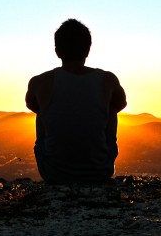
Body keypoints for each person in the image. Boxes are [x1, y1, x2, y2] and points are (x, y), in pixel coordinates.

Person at [25, 19, 127, 183]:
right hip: (100, 172)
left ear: (57, 51)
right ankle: (96, 157)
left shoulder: (39, 82)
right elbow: (121, 103)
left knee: (42, 112)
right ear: (88, 50)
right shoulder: (108, 79)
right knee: (111, 109)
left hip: (53, 173)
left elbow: (31, 104)